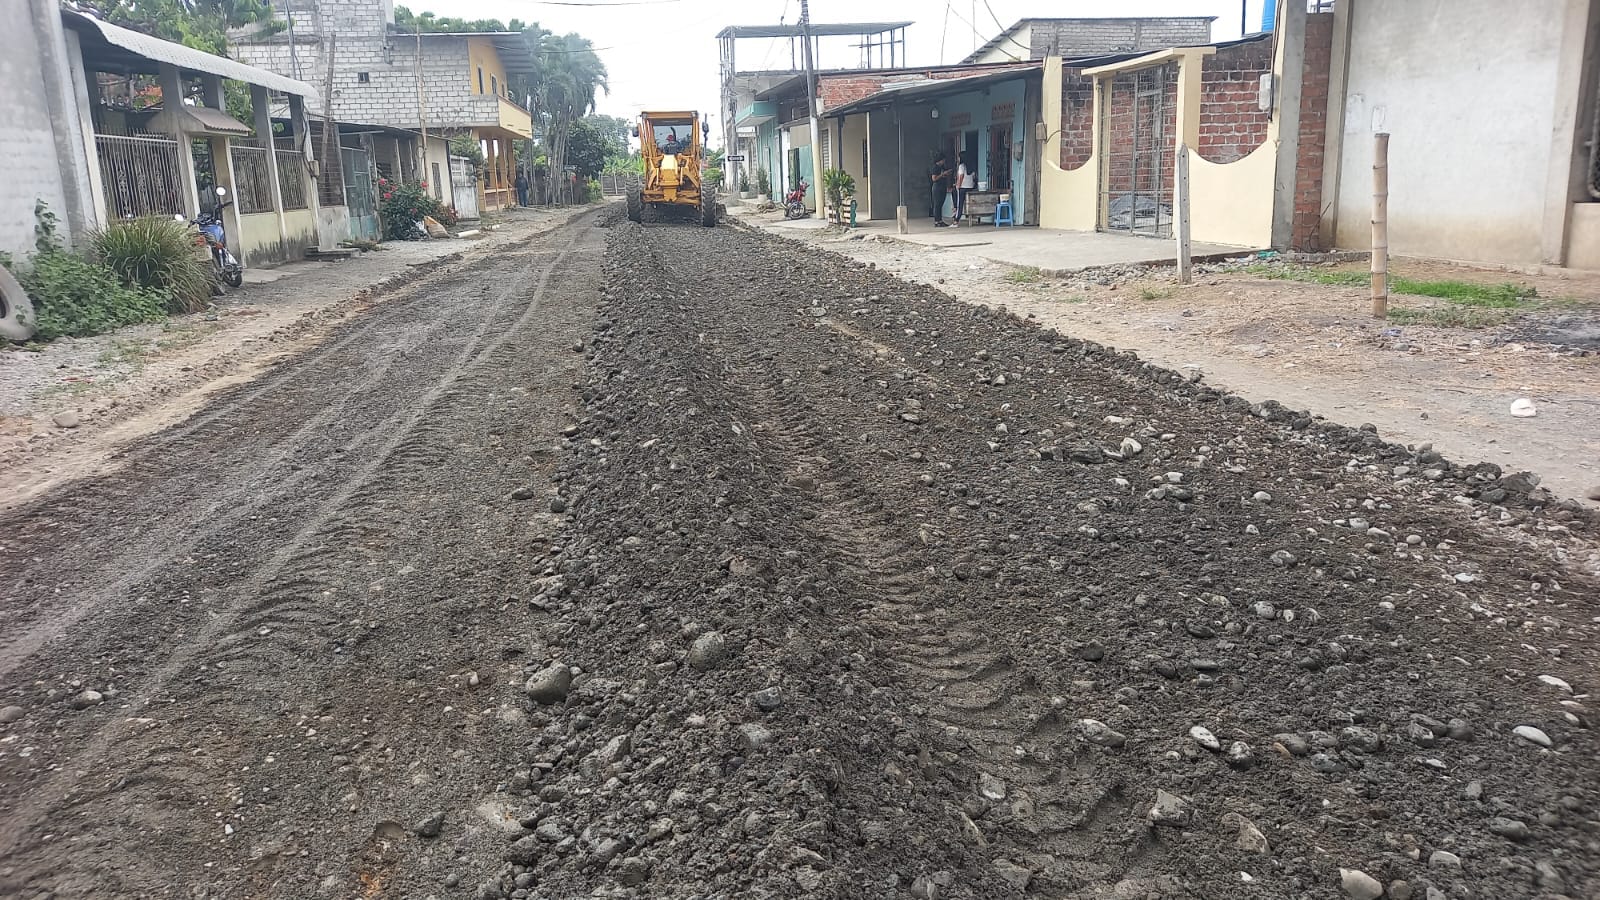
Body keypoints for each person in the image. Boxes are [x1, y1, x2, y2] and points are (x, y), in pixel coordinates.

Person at [929, 152, 952, 227]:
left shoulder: (942, 167)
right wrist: (942, 174)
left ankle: (940, 220)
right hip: (937, 187)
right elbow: (934, 178)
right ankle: (937, 221)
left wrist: (946, 174)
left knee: (940, 204)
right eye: (943, 160)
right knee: (937, 204)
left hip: (942, 186)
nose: (944, 161)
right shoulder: (935, 167)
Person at [955, 152, 976, 224]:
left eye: (959, 157)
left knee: (960, 204)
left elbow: (961, 176)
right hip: (970, 187)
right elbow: (974, 177)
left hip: (963, 187)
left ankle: (956, 219)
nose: (958, 159)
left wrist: (958, 185)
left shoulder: (961, 166)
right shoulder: (971, 166)